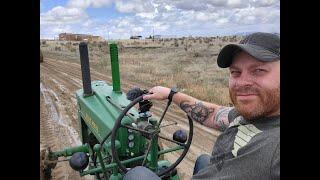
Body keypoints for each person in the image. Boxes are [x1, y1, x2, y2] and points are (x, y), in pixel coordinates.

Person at [124, 32, 280, 180]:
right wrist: (171, 94)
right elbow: (213, 114)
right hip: (217, 169)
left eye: (258, 70)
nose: (241, 82)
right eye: (235, 72)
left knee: (137, 174)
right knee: (204, 160)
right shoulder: (252, 113)